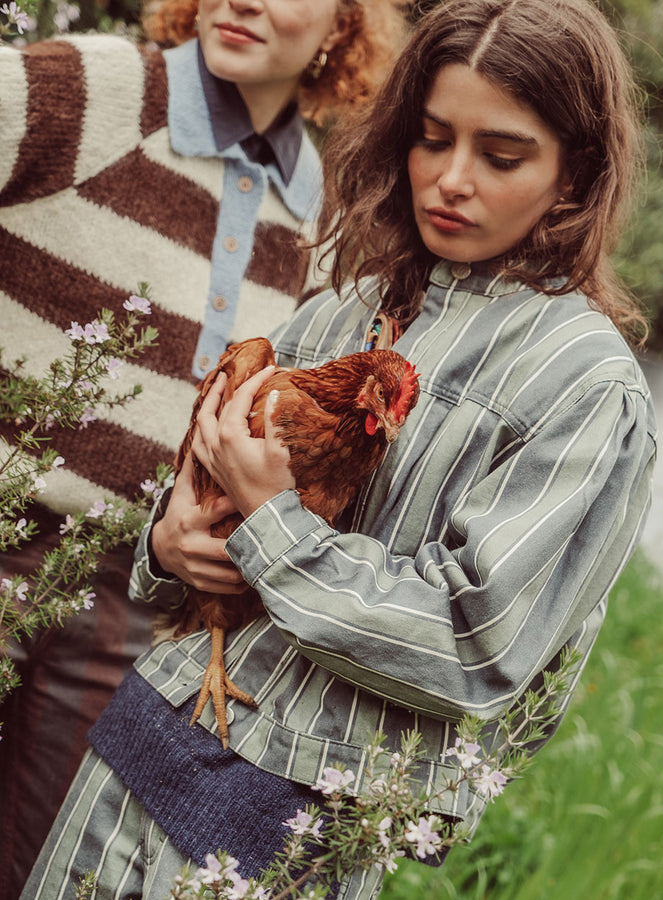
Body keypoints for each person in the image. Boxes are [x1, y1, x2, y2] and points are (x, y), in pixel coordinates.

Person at [20, 0, 657, 897]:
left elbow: (475, 648)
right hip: (140, 749)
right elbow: (206, 502)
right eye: (433, 139)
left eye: (501, 156)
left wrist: (275, 526)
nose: (451, 179)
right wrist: (169, 545)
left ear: (576, 174)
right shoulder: (343, 306)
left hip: (291, 816)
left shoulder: (583, 384)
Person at [0, 1, 407, 897]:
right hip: (5, 521)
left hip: (132, 591)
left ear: (343, 25)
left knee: (34, 862)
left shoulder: (328, 213)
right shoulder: (96, 86)